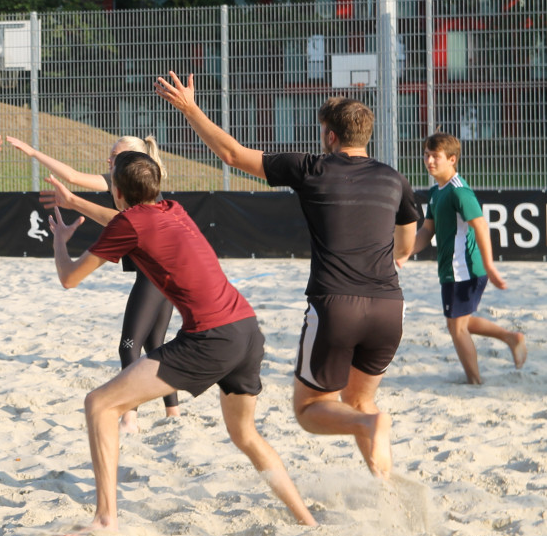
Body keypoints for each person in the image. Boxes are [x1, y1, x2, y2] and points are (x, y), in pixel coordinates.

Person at [155, 72, 418, 478]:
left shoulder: (311, 167)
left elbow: (232, 154)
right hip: (390, 307)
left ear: (330, 136)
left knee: (310, 409)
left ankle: (372, 426)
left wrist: (190, 109)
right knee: (360, 404)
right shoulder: (394, 179)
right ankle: (384, 488)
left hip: (336, 306)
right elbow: (405, 244)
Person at [50, 150, 316, 536]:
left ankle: (105, 519)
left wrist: (60, 241)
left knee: (99, 404)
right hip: (245, 327)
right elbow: (125, 222)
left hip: (210, 338)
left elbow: (69, 278)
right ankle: (306, 521)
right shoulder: (173, 208)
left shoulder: (131, 222)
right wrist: (74, 202)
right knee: (245, 435)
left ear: (118, 191)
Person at [6, 134, 180, 433]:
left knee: (129, 347)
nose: (109, 160)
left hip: (155, 275)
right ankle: (173, 416)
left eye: (115, 155)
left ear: (137, 161)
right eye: (110, 155)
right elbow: (73, 177)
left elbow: (121, 221)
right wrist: (34, 152)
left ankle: (130, 419)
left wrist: (73, 204)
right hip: (161, 273)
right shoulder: (125, 182)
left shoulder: (140, 191)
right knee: (154, 345)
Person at [409, 130, 527, 383]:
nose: (429, 161)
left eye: (435, 156)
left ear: (452, 159)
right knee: (461, 321)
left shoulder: (459, 191)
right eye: (426, 155)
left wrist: (490, 266)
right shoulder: (436, 191)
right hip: (452, 270)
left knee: (457, 327)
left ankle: (475, 382)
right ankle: (510, 337)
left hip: (464, 270)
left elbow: (481, 226)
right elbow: (427, 230)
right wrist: (405, 250)